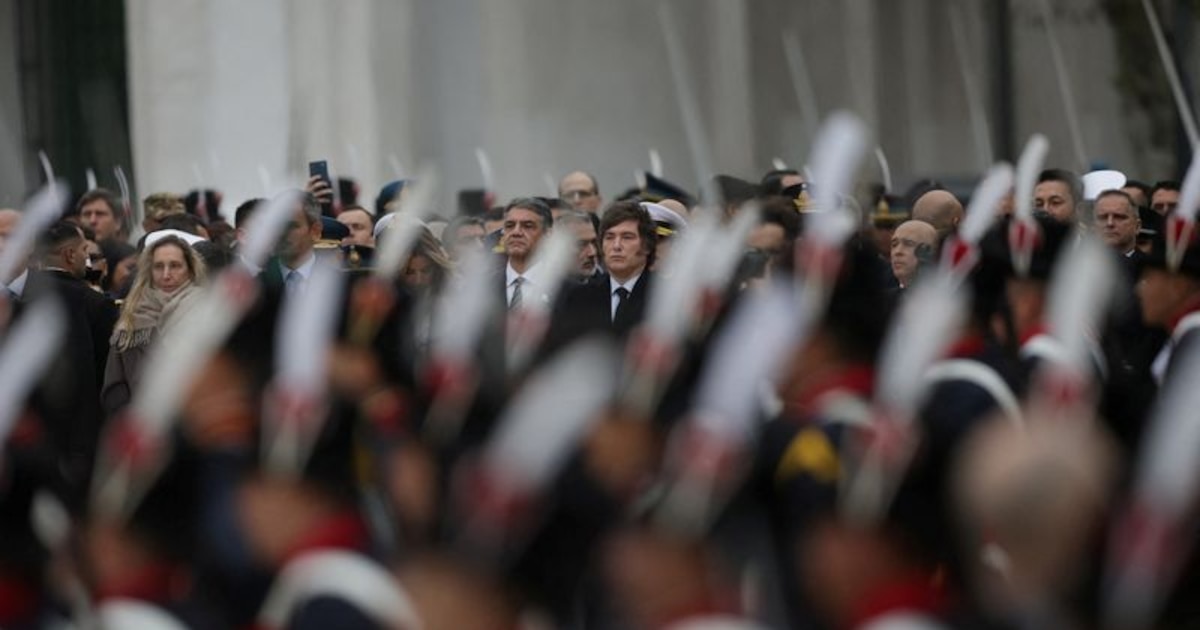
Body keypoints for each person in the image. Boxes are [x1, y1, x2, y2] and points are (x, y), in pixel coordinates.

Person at [101, 233, 207, 417]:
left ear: (189, 269)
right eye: (159, 266)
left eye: (175, 266)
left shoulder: (208, 311)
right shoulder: (132, 314)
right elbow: (115, 383)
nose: (166, 274)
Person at [889, 219, 938, 289]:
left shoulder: (945, 296)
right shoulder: (883, 297)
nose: (898, 251)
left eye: (908, 244)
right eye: (894, 244)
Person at [1093, 190, 1141, 257]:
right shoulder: (1077, 265)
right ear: (1094, 226)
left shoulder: (1152, 266)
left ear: (1137, 226)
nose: (1110, 223)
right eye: (1103, 217)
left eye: (1119, 217)